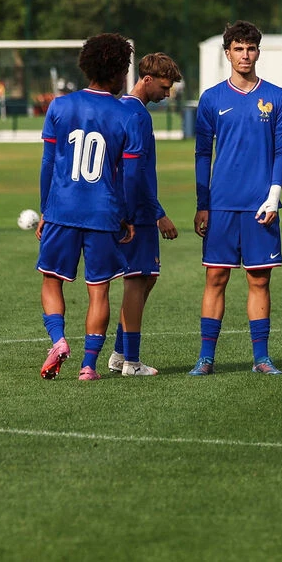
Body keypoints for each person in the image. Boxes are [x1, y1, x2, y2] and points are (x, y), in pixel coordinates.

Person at [35, 33, 142, 380]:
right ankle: (88, 366)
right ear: (118, 71)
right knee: (99, 290)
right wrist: (126, 215)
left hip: (62, 210)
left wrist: (45, 210)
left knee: (52, 280)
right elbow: (130, 175)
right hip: (103, 212)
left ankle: (58, 340)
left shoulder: (59, 106)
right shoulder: (126, 115)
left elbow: (48, 164)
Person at [190, 21, 282, 376]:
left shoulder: (277, 96)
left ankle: (261, 358)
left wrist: (274, 196)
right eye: (238, 48)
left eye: (250, 48)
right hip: (221, 205)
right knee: (215, 278)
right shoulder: (212, 98)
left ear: (258, 52)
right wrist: (202, 204)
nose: (244, 55)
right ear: (227, 53)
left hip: (260, 205)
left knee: (259, 280)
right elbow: (203, 153)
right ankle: (205, 358)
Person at [109, 52, 183, 377]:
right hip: (136, 211)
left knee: (146, 277)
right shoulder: (138, 115)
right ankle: (132, 362)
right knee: (137, 280)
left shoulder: (120, 109)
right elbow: (135, 172)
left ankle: (119, 354)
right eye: (164, 88)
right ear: (147, 80)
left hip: (126, 207)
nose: (167, 94)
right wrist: (158, 213)